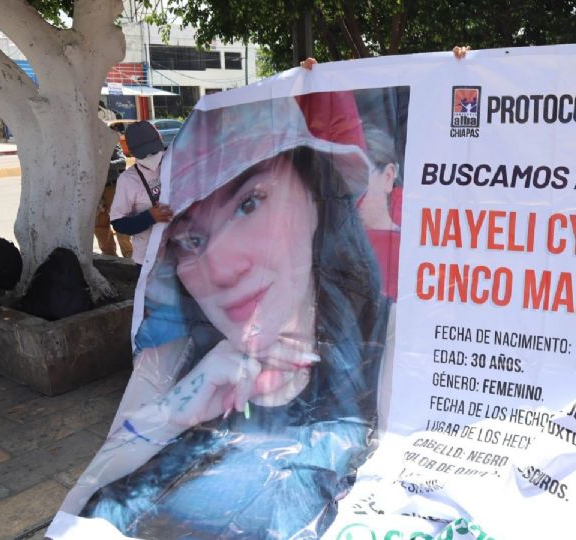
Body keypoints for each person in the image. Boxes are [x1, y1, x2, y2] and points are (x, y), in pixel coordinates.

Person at [58, 93, 388, 538]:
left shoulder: (391, 341)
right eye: (190, 240)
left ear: (315, 196)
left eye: (248, 204)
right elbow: (83, 503)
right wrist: (173, 414)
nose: (221, 268)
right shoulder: (176, 358)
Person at [110, 121, 173, 267]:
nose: (151, 156)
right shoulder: (127, 180)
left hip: (180, 254)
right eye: (144, 153)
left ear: (160, 141)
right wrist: (149, 217)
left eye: (154, 151)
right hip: (148, 259)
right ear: (132, 152)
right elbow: (118, 224)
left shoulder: (174, 163)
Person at [358, 126, 403, 299]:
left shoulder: (410, 252)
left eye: (360, 180)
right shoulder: (330, 243)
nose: (348, 193)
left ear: (388, 177)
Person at [94, 129, 133, 258]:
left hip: (112, 186)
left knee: (120, 221)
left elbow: (122, 162)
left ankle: (129, 255)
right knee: (100, 225)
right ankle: (109, 255)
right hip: (94, 190)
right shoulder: (85, 143)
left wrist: (103, 164)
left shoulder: (110, 141)